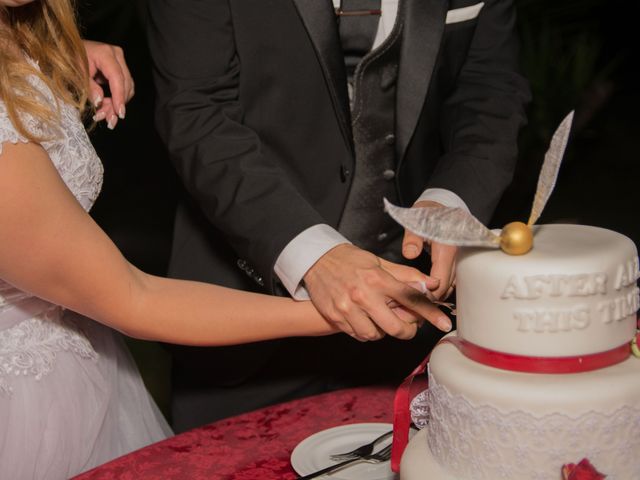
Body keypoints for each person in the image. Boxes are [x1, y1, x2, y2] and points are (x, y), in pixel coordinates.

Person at [0, 1, 440, 478]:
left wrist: (53, 51)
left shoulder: (18, 33)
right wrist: (339, 305)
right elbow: (135, 297)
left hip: (82, 361)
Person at [147, 0, 531, 431]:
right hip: (245, 326)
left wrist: (453, 200)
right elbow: (197, 111)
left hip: (415, 328)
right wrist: (313, 255)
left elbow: (490, 90)